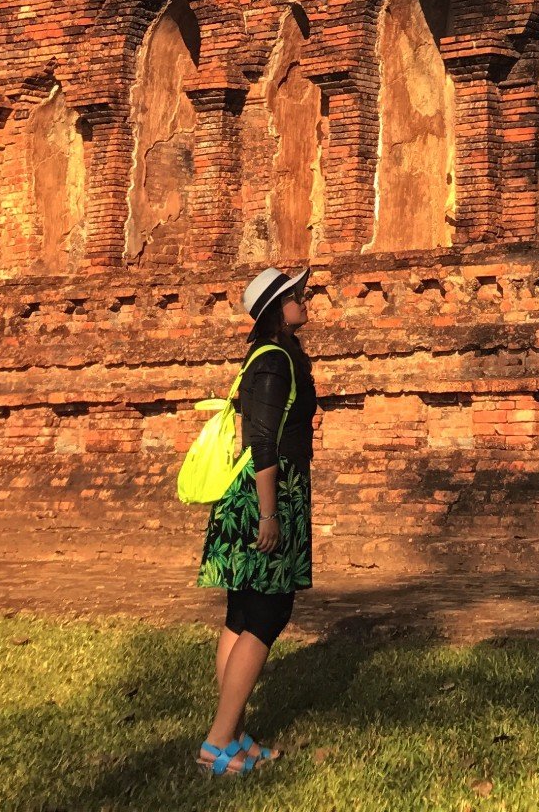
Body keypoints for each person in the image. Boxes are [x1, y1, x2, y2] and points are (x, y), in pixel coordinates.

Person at [194, 265, 317, 777]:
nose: (304, 299)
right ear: (276, 308)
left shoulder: (273, 356)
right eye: (296, 295)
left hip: (263, 489)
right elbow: (260, 441)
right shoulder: (272, 361)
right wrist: (269, 514)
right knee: (268, 612)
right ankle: (217, 743)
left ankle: (233, 736)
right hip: (265, 492)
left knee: (243, 614)